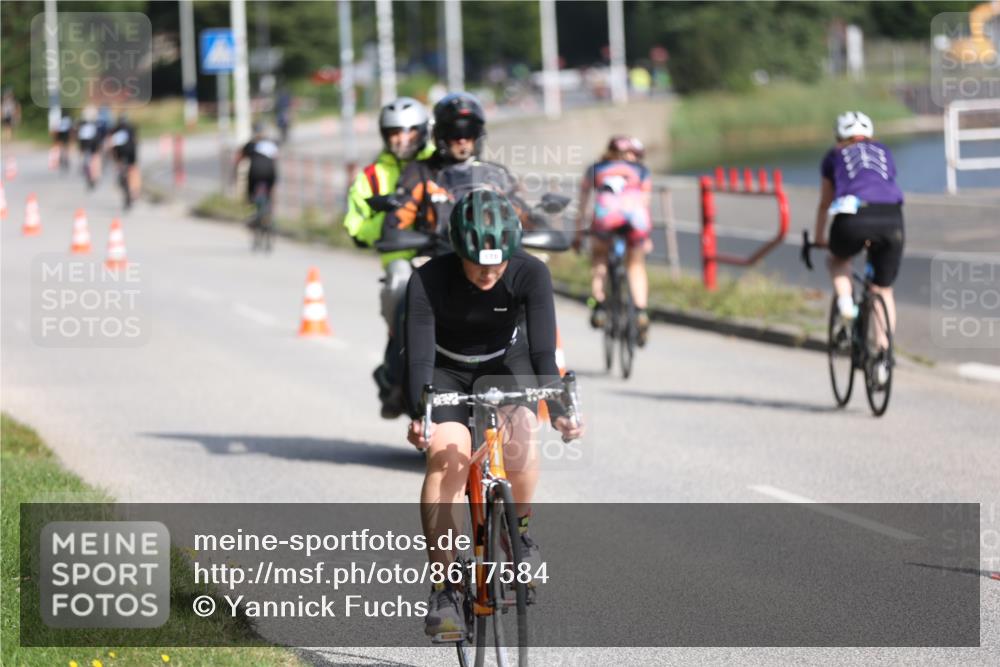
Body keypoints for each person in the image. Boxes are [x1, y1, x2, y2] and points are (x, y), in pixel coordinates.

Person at [404, 188, 584, 637]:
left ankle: (518, 533)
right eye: (477, 262)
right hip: (446, 370)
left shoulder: (531, 273)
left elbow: (544, 353)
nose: (488, 272)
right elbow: (419, 361)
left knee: (523, 429)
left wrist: (560, 409)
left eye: (497, 263)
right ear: (458, 250)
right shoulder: (428, 280)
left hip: (508, 363)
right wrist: (419, 416)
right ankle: (445, 590)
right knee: (448, 457)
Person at [379, 92, 526, 418]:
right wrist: (399, 230)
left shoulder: (496, 174)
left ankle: (540, 373)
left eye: (469, 132)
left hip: (492, 259)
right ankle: (398, 374)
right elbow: (398, 216)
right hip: (435, 259)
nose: (462, 140)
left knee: (530, 283)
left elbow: (522, 213)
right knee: (401, 283)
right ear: (440, 136)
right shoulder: (421, 172)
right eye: (454, 133)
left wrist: (540, 224)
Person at [343, 97, 434, 419]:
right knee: (399, 284)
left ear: (424, 131)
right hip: (402, 261)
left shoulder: (441, 164)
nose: (402, 138)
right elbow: (355, 227)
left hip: (446, 254)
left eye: (410, 131)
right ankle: (394, 376)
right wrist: (388, 218)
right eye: (394, 131)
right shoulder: (371, 176)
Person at [813, 111, 904, 386]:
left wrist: (819, 237)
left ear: (840, 137)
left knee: (837, 260)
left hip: (852, 217)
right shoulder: (884, 150)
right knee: (882, 288)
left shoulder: (834, 155)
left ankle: (845, 304)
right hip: (892, 218)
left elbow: (825, 201)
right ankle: (884, 357)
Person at [574, 135, 653, 345]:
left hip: (605, 219)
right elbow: (645, 202)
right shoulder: (642, 171)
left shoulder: (596, 168)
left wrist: (578, 234)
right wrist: (646, 238)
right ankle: (640, 311)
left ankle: (599, 306)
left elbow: (582, 204)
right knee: (636, 265)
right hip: (635, 220)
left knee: (599, 257)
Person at [234, 122, 279, 215]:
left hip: (255, 173)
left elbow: (239, 159)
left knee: (251, 189)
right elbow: (275, 159)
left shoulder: (250, 145)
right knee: (270, 191)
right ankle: (270, 214)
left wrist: (235, 171)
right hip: (270, 173)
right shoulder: (271, 143)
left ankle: (250, 204)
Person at [108, 113, 140, 207]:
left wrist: (113, 158)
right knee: (134, 170)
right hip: (131, 151)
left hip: (119, 153)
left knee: (120, 167)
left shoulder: (114, 129)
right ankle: (135, 191)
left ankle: (122, 178)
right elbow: (136, 141)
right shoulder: (131, 128)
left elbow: (110, 144)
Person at [76, 107, 102, 189]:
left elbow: (79, 137)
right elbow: (98, 137)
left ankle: (90, 173)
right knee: (95, 158)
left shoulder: (82, 124)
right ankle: (95, 175)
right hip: (93, 145)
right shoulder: (95, 124)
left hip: (85, 145)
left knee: (86, 159)